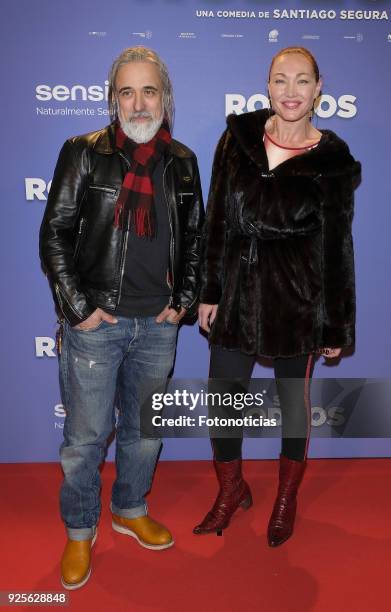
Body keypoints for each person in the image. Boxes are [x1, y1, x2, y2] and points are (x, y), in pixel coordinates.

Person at [39, 46, 204, 589]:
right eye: (127, 91)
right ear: (113, 99)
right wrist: (79, 309)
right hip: (96, 328)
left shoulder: (182, 160)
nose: (139, 102)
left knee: (144, 434)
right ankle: (81, 529)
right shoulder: (83, 152)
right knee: (86, 438)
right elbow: (55, 235)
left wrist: (182, 301)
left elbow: (197, 240)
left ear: (165, 98)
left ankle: (130, 509)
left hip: (157, 326)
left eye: (149, 90)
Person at [194, 47, 360, 546]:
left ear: (318, 88)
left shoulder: (332, 160)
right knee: (223, 398)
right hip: (237, 296)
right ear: (267, 86)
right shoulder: (237, 140)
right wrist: (210, 290)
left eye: (301, 81)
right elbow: (216, 219)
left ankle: (286, 498)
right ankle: (232, 489)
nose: (291, 91)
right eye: (280, 80)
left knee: (293, 404)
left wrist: (335, 325)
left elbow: (337, 247)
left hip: (298, 301)